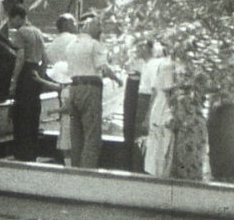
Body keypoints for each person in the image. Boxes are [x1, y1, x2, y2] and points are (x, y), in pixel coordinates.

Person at [65, 14, 123, 168]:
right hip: (90, 88)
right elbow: (103, 68)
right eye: (98, 25)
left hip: (73, 88)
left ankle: (75, 169)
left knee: (76, 134)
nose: (101, 29)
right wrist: (117, 79)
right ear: (90, 27)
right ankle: (88, 171)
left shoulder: (71, 45)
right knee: (92, 135)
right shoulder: (95, 45)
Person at [8, 4, 48, 161]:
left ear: (18, 17)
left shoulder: (21, 32)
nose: (10, 23)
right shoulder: (38, 32)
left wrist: (13, 81)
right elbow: (45, 58)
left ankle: (22, 154)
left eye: (11, 19)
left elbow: (20, 58)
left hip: (25, 74)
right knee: (33, 113)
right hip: (36, 72)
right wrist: (41, 77)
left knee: (21, 115)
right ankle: (33, 152)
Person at [143, 48, 176, 177]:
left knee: (158, 150)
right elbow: (169, 93)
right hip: (164, 111)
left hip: (160, 109)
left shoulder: (165, 65)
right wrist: (175, 113)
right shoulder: (168, 66)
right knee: (161, 150)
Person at [122, 39, 153, 172]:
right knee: (128, 124)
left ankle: (140, 164)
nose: (138, 48)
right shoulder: (134, 54)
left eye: (142, 46)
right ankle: (128, 162)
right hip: (133, 84)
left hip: (143, 86)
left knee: (140, 127)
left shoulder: (152, 60)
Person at [46, 61, 73, 166]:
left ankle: (69, 166)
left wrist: (54, 111)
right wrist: (40, 80)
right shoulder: (69, 88)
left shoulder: (66, 91)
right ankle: (70, 165)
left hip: (67, 120)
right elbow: (56, 86)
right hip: (68, 119)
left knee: (66, 145)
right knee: (68, 144)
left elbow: (67, 107)